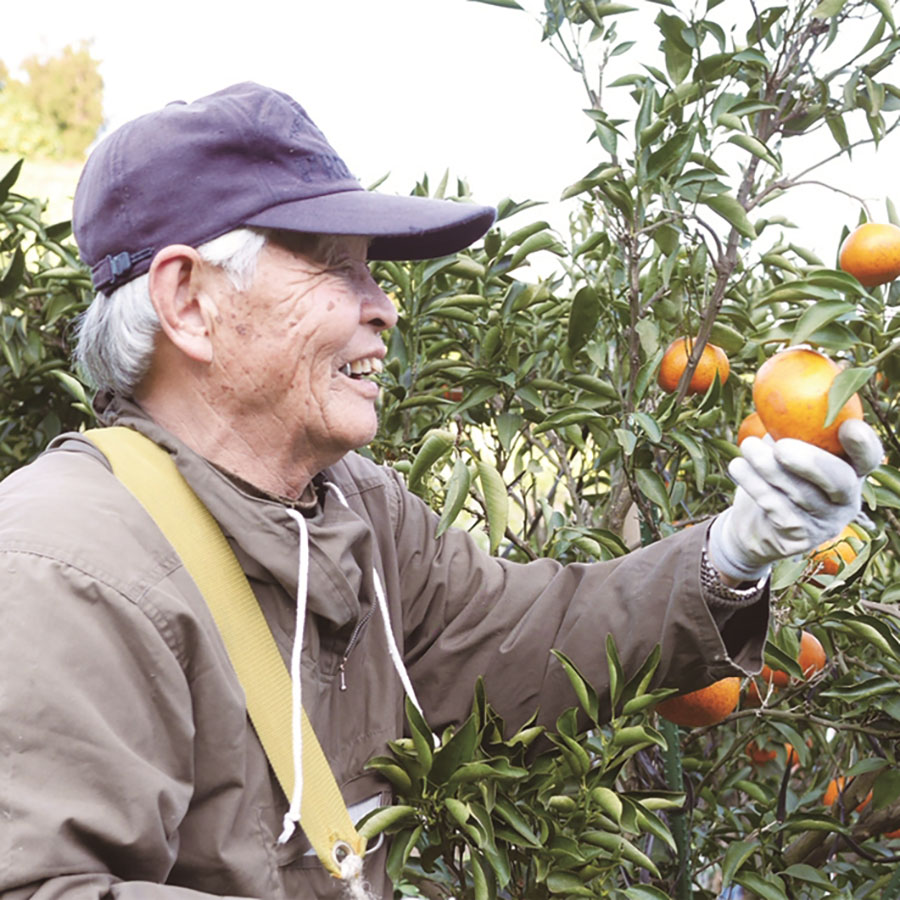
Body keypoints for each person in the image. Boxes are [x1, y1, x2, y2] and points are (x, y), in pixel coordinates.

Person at [0, 82, 882, 900]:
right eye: (334, 267)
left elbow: (521, 640)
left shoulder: (353, 508)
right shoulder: (68, 566)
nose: (383, 305)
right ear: (189, 300)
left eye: (371, 270)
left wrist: (733, 552)